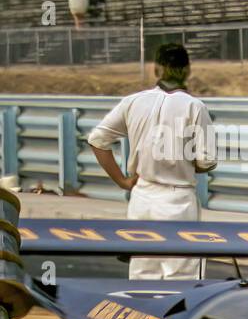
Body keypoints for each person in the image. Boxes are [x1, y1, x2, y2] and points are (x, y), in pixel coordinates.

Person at [88, 44, 216, 280]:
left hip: (141, 198)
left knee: (142, 277)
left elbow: (97, 140)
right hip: (178, 202)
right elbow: (207, 161)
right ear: (187, 70)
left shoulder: (133, 102)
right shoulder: (194, 107)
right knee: (182, 280)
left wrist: (123, 182)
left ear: (156, 69)